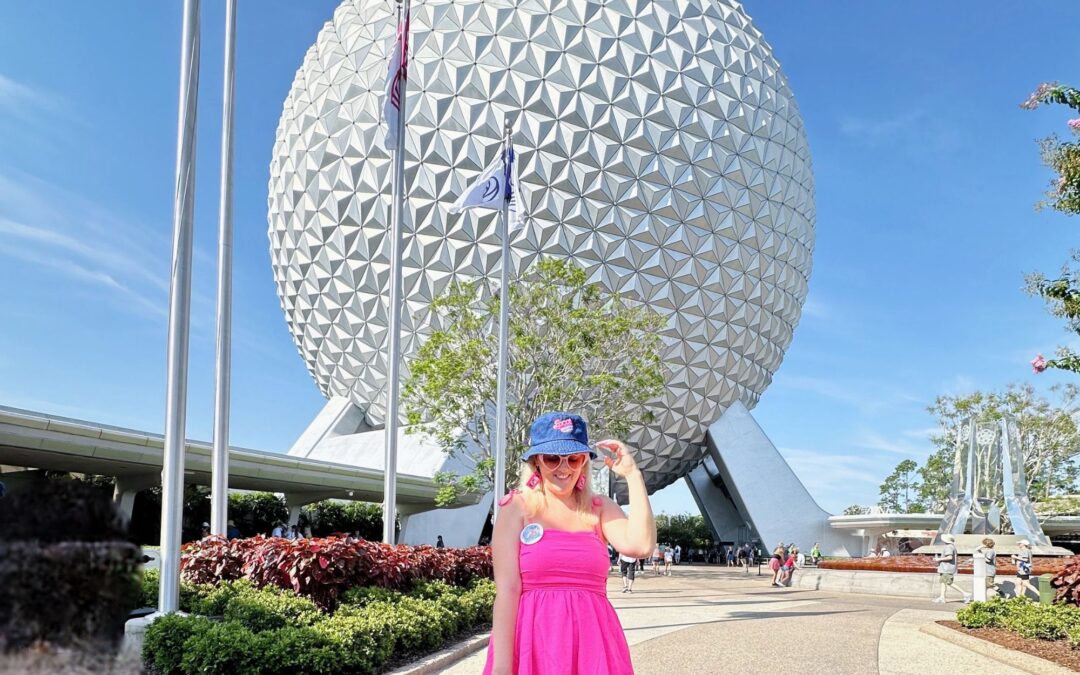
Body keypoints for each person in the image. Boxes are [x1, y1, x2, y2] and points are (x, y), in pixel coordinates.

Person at [482, 412, 654, 675]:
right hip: (532, 645)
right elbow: (507, 590)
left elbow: (640, 546)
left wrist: (632, 475)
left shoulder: (599, 508)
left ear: (584, 461)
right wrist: (502, 667)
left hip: (593, 647)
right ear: (536, 461)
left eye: (573, 459)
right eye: (553, 459)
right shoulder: (516, 507)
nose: (564, 468)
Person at [933, 533, 970, 604]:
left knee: (948, 582)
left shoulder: (949, 547)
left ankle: (965, 593)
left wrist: (939, 559)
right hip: (946, 568)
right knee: (943, 582)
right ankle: (942, 597)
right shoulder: (951, 546)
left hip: (947, 568)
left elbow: (949, 557)